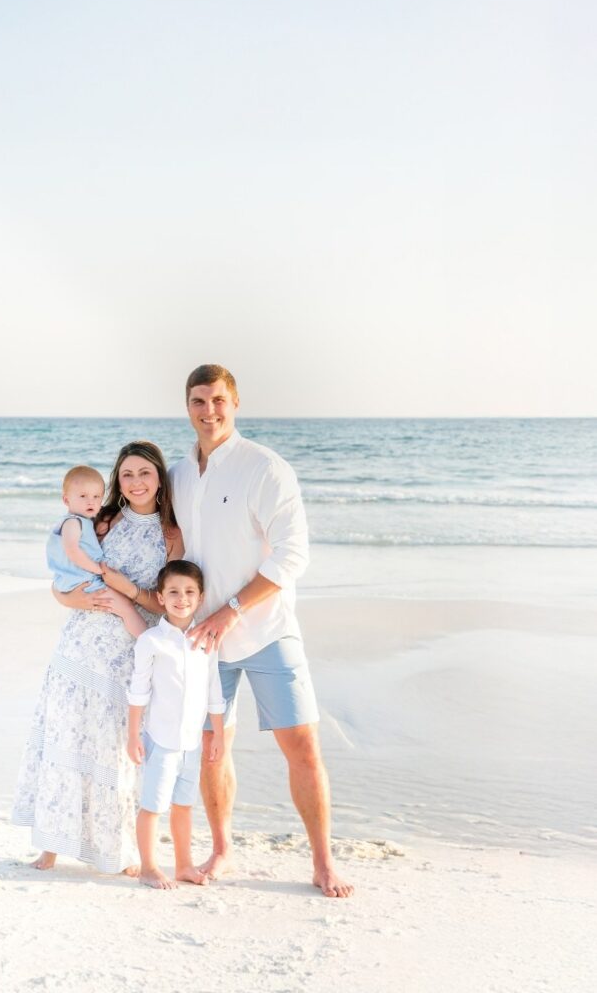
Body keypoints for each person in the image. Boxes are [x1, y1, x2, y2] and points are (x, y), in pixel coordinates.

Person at [169, 364, 354, 898]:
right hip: (205, 639)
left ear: (236, 403)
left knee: (302, 745)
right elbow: (170, 542)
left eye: (219, 401)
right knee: (211, 748)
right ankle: (222, 849)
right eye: (199, 402)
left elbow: (294, 554)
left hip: (268, 628)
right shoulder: (180, 475)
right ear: (187, 407)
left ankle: (323, 862)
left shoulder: (265, 469)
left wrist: (231, 608)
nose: (209, 412)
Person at [12, 441, 183, 874]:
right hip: (80, 644)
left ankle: (120, 849)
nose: (136, 482)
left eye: (144, 473)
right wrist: (73, 600)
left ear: (159, 477)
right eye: (127, 474)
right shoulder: (102, 520)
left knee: (114, 748)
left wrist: (126, 598)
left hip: (127, 651)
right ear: (116, 482)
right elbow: (63, 579)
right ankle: (51, 843)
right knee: (66, 736)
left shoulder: (171, 534)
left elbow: (166, 604)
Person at [126, 560, 225, 890]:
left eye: (189, 592)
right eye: (173, 592)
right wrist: (132, 737)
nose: (181, 598)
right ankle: (149, 867)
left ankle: (183, 864)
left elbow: (214, 691)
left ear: (200, 597)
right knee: (153, 806)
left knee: (184, 805)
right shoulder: (152, 641)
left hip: (192, 743)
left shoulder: (206, 640)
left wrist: (218, 735)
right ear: (161, 596)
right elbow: (138, 690)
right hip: (161, 739)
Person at [46, 465, 108, 593]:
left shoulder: (85, 521)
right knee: (122, 603)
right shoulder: (73, 522)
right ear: (66, 500)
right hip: (82, 579)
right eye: (83, 496)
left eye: (96, 496)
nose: (91, 501)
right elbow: (72, 550)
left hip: (82, 578)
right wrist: (98, 570)